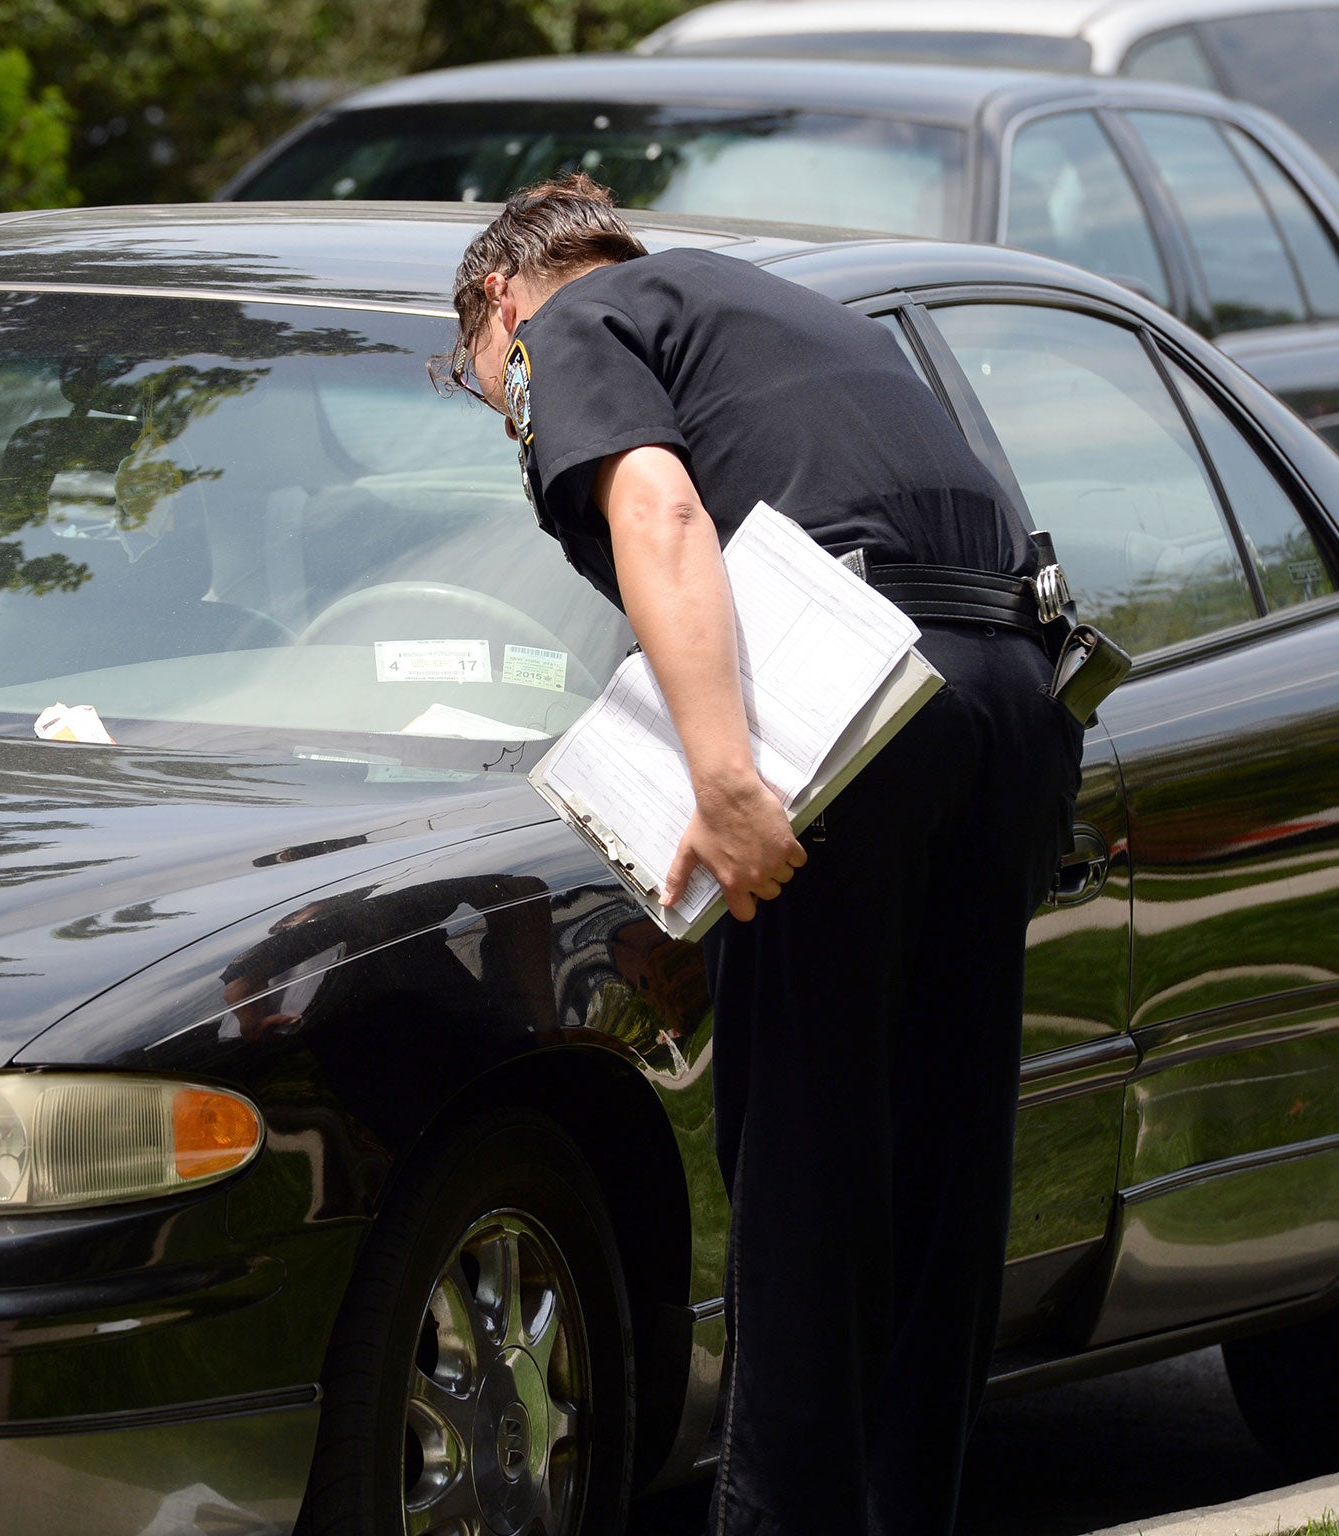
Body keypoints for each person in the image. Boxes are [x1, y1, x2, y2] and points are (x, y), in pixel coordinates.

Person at [436, 174, 1084, 1536]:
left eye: (489, 388)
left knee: (804, 1178)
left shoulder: (577, 324)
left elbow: (661, 516)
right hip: (1015, 704)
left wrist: (725, 779)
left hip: (859, 726)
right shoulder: (782, 309)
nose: (512, 413)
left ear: (502, 301)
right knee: (939, 1174)